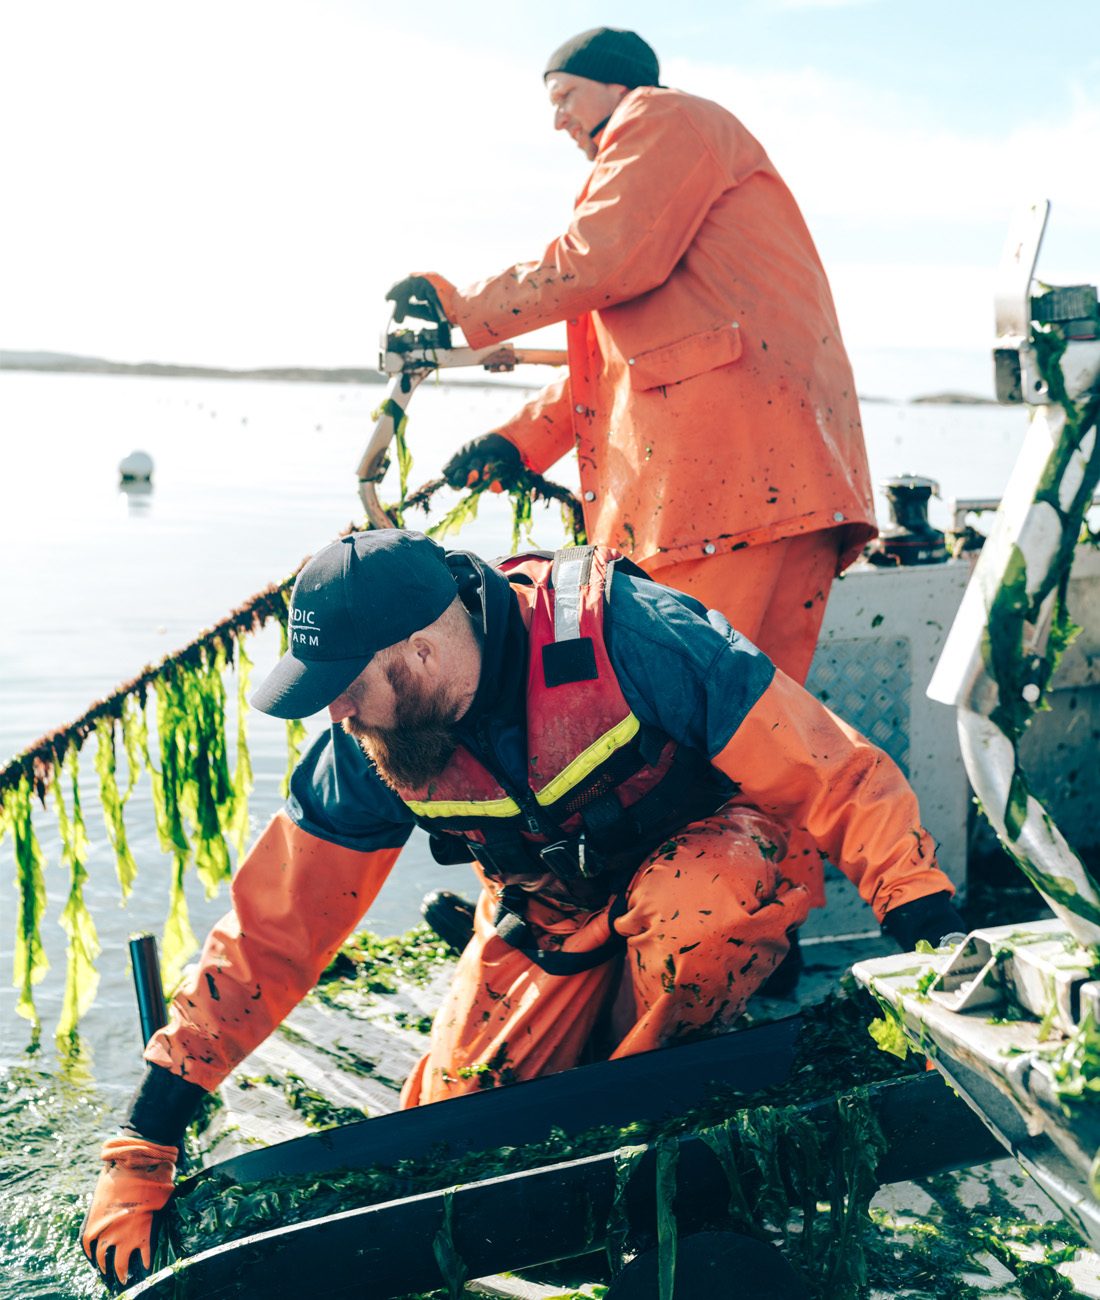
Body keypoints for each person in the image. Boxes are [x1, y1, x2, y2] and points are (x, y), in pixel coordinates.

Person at [81, 529, 963, 1289]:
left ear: (420, 653)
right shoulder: (373, 743)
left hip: (713, 867)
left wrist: (923, 921)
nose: (338, 713)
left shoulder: (632, 636)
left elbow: (830, 769)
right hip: (547, 914)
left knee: (704, 909)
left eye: (349, 686)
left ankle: (664, 1091)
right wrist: (148, 1131)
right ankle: (592, 1052)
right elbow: (276, 929)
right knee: (452, 1133)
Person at [386, 26, 876, 687]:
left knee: (684, 718)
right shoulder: (672, 181)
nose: (557, 120)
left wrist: (457, 306)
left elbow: (599, 261)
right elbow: (621, 362)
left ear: (618, 84)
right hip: (774, 483)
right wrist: (517, 443)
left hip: (722, 487)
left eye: (564, 96)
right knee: (754, 730)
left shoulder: (660, 117)